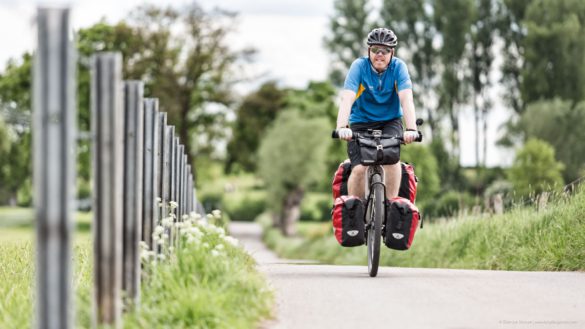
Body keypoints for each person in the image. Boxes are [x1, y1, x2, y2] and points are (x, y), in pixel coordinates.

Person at [335, 27, 419, 200]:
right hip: (361, 122)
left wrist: (411, 128)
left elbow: (406, 99)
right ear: (368, 51)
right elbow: (347, 99)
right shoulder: (359, 67)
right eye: (375, 49)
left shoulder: (398, 67)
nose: (379, 54)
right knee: (359, 169)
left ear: (392, 53)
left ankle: (389, 210)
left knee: (393, 164)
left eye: (385, 50)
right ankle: (355, 214)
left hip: (390, 122)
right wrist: (342, 127)